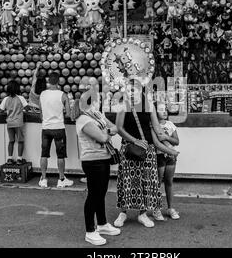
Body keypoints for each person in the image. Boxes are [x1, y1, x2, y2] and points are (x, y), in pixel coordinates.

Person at [114, 82, 179, 228]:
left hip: (147, 149)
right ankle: (123, 212)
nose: (131, 92)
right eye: (129, 90)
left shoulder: (149, 106)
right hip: (129, 147)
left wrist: (169, 143)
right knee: (127, 181)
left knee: (145, 182)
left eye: (134, 90)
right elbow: (119, 128)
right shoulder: (124, 104)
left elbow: (156, 128)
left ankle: (142, 214)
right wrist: (135, 140)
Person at [74, 97, 121, 246]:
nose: (98, 103)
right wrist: (107, 131)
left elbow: (115, 127)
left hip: (104, 158)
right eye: (95, 100)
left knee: (101, 193)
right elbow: (102, 137)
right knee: (93, 196)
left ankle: (102, 224)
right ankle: (90, 231)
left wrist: (107, 131)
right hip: (92, 161)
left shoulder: (97, 115)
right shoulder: (82, 119)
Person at [38, 72, 73, 188]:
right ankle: (61, 179)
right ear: (59, 81)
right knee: (60, 155)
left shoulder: (42, 94)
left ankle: (43, 179)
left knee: (44, 154)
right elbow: (68, 114)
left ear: (48, 81)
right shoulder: (63, 95)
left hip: (46, 128)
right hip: (58, 128)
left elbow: (41, 114)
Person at [153, 108, 181, 221]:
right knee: (158, 183)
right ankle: (156, 208)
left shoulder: (170, 124)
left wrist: (166, 137)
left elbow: (177, 141)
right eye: (161, 110)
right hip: (159, 156)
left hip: (170, 157)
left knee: (169, 182)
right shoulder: (153, 125)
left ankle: (170, 208)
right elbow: (156, 141)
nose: (164, 112)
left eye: (165, 110)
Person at [0, 80, 29, 165]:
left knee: (11, 141)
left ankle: (9, 159)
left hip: (9, 123)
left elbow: (1, 110)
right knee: (20, 141)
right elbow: (27, 108)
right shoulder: (21, 98)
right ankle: (19, 159)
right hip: (18, 122)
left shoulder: (5, 99)